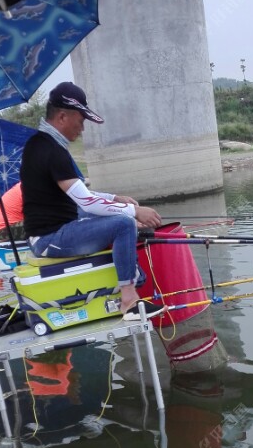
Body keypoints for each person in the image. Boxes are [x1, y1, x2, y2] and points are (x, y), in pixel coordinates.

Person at [20, 82, 162, 319]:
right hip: (49, 239)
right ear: (63, 117)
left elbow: (80, 197)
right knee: (123, 224)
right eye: (81, 121)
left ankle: (131, 270)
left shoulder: (40, 144)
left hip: (49, 232)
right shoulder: (52, 151)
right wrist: (133, 211)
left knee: (117, 218)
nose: (82, 129)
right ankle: (129, 300)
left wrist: (114, 199)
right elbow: (87, 202)